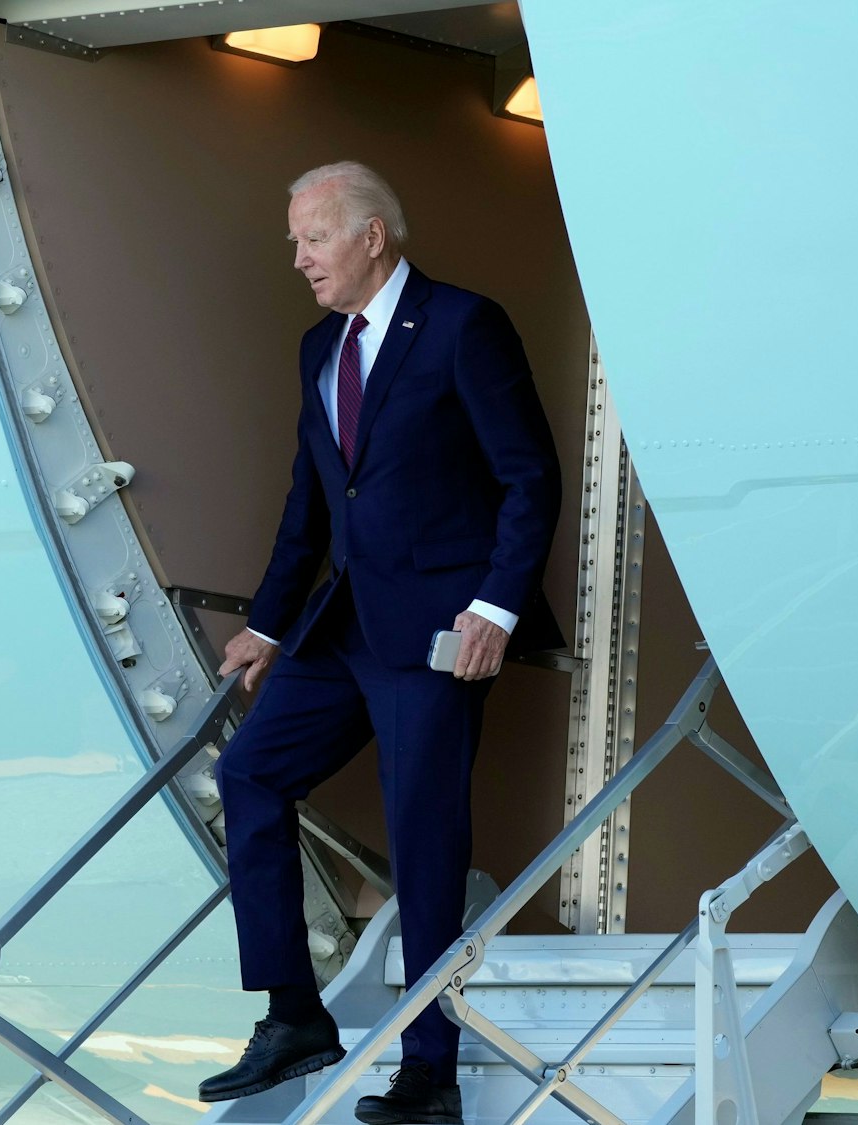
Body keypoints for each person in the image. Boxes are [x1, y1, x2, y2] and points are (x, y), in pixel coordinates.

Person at [197, 162, 561, 1125]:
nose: (300, 258)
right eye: (295, 242)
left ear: (372, 237)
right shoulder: (320, 343)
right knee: (250, 777)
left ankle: (430, 1074)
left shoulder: (461, 325)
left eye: (312, 239)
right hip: (342, 625)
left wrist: (497, 607)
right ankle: (292, 1012)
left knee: (425, 842)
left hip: (440, 630)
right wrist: (270, 622)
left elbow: (530, 477)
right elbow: (311, 500)